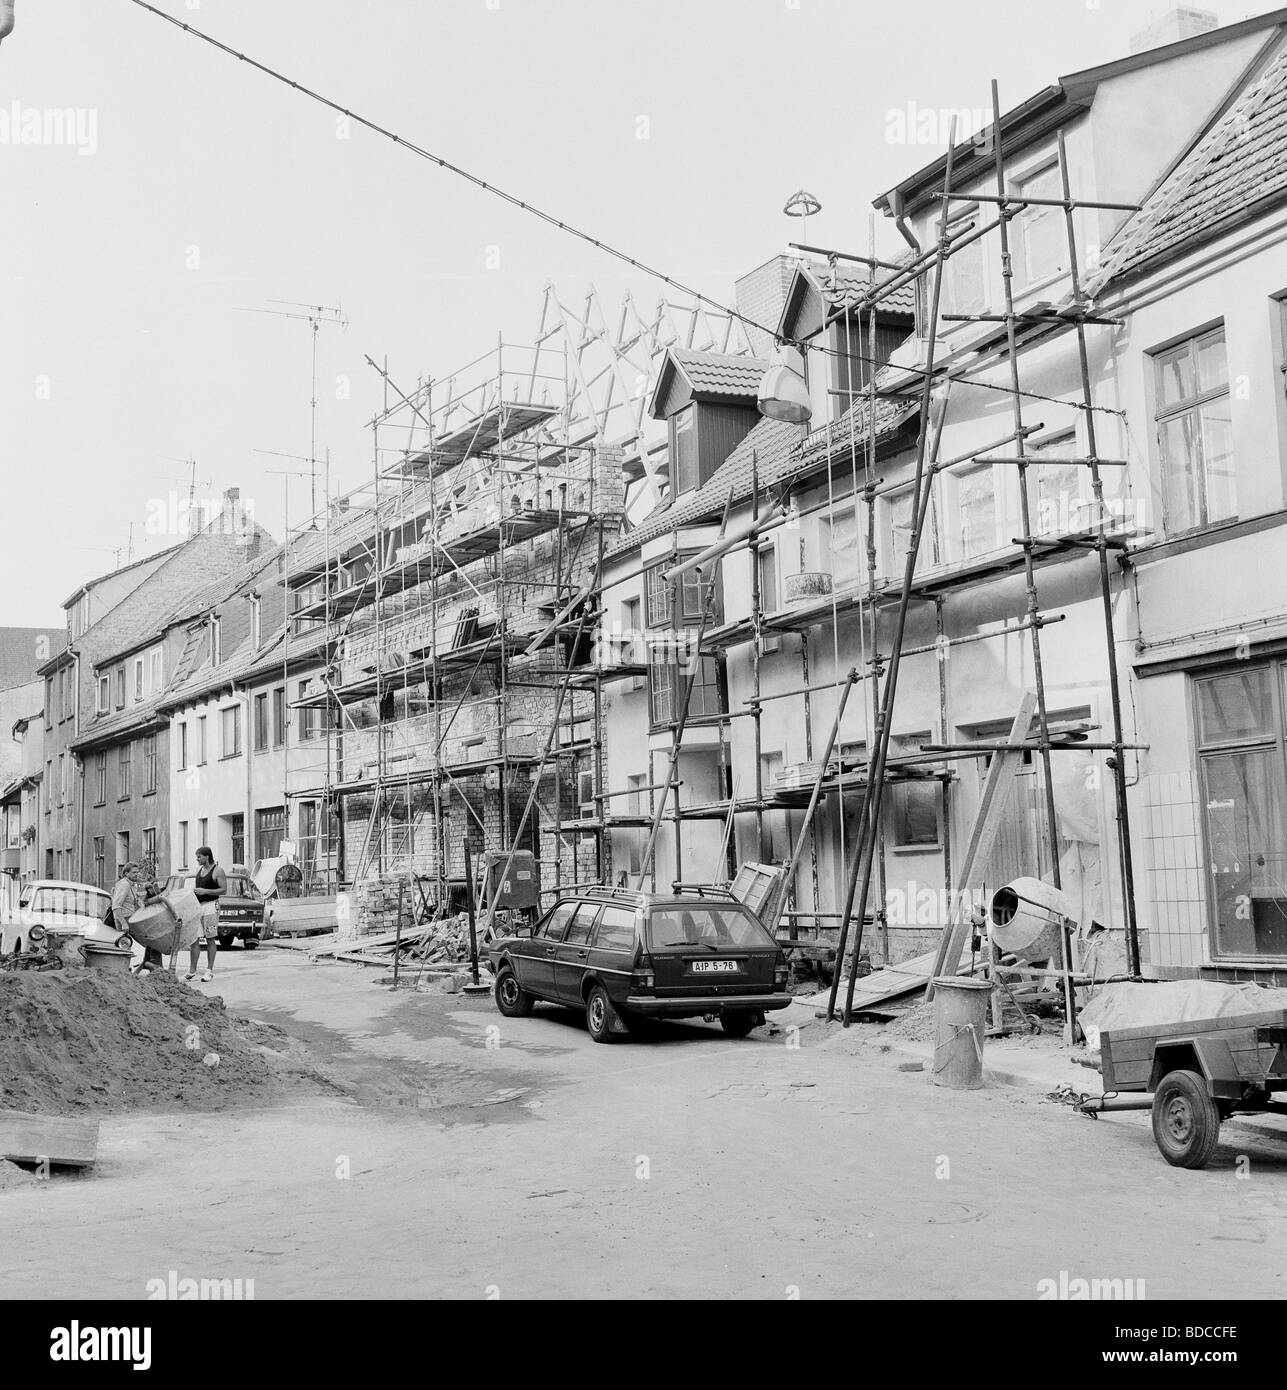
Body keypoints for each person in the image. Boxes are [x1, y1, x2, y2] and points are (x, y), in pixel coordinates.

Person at [113, 862, 164, 976]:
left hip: (131, 919)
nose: (137, 875)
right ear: (126, 873)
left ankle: (151, 965)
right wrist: (123, 923)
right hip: (126, 920)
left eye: (137, 872)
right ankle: (155, 968)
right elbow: (115, 906)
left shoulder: (131, 884)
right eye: (134, 872)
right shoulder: (124, 885)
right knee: (153, 938)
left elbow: (136, 901)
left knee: (151, 938)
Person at [187, 846, 226, 983]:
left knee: (210, 938)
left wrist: (205, 891)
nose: (197, 859)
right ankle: (192, 971)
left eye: (199, 857)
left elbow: (223, 890)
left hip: (211, 906)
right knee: (194, 939)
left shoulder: (217, 871)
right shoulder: (200, 870)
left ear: (207, 856)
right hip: (199, 907)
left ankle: (209, 971)